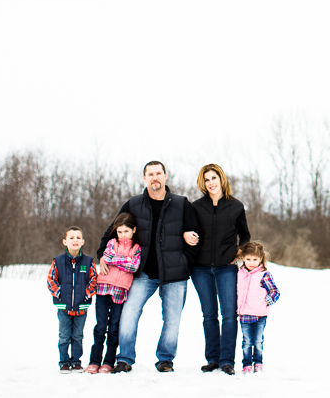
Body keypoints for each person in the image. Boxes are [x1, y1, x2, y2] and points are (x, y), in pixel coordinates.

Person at [96, 160, 200, 373]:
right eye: (150, 174)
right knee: (129, 314)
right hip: (142, 273)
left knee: (172, 321)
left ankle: (165, 359)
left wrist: (185, 262)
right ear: (144, 178)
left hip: (174, 274)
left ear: (165, 176)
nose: (155, 177)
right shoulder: (134, 204)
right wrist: (101, 255)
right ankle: (124, 359)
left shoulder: (182, 204)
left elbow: (196, 237)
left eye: (158, 173)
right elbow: (113, 229)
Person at [186, 163, 251, 375]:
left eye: (214, 177)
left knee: (229, 315)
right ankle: (212, 359)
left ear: (221, 179)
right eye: (206, 179)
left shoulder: (236, 206)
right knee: (209, 315)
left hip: (226, 267)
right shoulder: (196, 207)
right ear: (202, 183)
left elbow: (245, 235)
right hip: (201, 268)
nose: (211, 182)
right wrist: (186, 235)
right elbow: (188, 231)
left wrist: (239, 252)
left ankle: (227, 361)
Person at [85, 213, 141, 374]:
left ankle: (108, 362)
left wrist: (116, 259)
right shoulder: (111, 243)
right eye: (119, 231)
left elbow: (134, 267)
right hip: (103, 288)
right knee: (100, 326)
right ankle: (94, 361)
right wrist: (125, 260)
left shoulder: (136, 248)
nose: (122, 234)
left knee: (114, 327)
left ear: (133, 230)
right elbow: (107, 257)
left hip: (120, 291)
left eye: (126, 231)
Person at [47, 226, 98, 373]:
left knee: (77, 335)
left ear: (82, 241)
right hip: (64, 306)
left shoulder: (88, 261)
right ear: (65, 242)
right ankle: (64, 362)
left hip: (81, 307)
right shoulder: (58, 261)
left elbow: (94, 279)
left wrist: (86, 295)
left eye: (78, 238)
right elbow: (51, 279)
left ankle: (76, 361)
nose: (75, 240)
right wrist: (60, 293)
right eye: (71, 237)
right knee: (64, 336)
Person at [236, 241, 280, 375]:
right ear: (243, 258)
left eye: (255, 259)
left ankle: (258, 363)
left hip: (260, 315)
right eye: (248, 259)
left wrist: (265, 302)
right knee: (247, 341)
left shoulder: (264, 274)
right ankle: (247, 364)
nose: (251, 262)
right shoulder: (239, 273)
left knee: (258, 340)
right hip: (244, 314)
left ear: (261, 259)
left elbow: (274, 292)